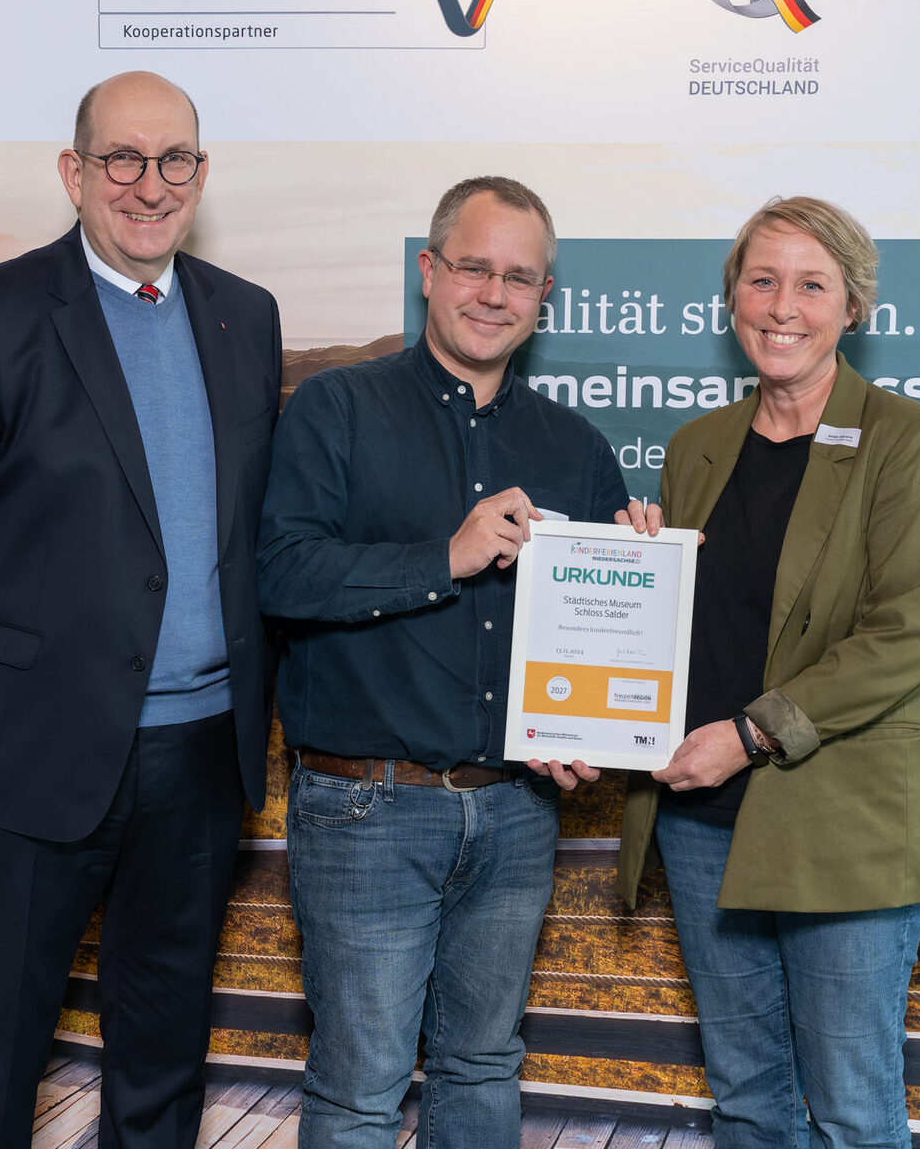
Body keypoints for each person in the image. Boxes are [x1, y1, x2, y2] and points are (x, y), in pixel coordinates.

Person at [0, 71, 282, 1149]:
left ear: (202, 172)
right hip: (25, 765)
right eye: (122, 158)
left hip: (199, 763)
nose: (150, 184)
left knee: (163, 1068)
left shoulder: (246, 316)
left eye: (174, 158)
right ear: (74, 172)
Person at [258, 176, 639, 1149]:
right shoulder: (338, 408)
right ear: (428, 271)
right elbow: (283, 573)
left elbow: (597, 631)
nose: (493, 294)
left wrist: (640, 570)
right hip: (366, 809)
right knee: (360, 1090)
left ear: (544, 295)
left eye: (519, 276)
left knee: (482, 1066)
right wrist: (446, 557)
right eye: (474, 267)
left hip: (516, 812)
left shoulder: (576, 446)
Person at [615, 196, 920, 1148]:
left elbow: (906, 633)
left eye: (812, 285)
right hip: (701, 821)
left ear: (853, 307)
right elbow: (688, 619)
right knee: (745, 1098)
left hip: (840, 821)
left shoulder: (907, 440)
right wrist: (635, 567)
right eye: (762, 280)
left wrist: (748, 734)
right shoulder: (696, 446)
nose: (782, 307)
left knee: (852, 1111)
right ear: (731, 296)